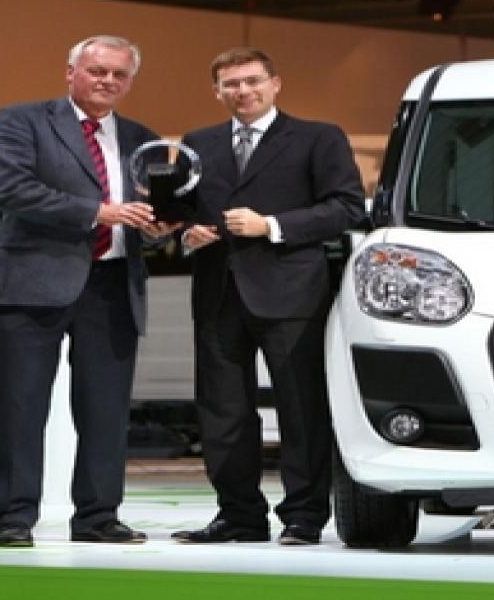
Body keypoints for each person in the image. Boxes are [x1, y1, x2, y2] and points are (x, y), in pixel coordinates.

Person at [0, 35, 181, 548]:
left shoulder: (143, 139)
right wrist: (99, 212)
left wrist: (156, 229)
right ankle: (12, 518)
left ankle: (97, 517)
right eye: (97, 71)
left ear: (130, 81)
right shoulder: (23, 120)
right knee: (21, 407)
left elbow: (147, 213)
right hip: (31, 282)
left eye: (119, 74)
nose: (107, 81)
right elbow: (12, 190)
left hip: (112, 284)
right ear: (71, 72)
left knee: (106, 411)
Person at [171, 47, 364, 545]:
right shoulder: (197, 144)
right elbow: (180, 213)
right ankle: (239, 516)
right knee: (222, 412)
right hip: (217, 292)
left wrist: (272, 225)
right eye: (231, 84)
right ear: (217, 91)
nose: (243, 91)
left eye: (253, 80)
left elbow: (347, 208)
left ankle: (304, 516)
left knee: (301, 409)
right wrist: (187, 233)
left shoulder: (318, 137)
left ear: (276, 84)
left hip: (293, 293)